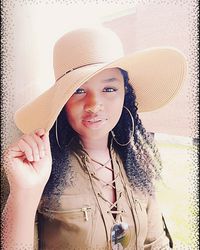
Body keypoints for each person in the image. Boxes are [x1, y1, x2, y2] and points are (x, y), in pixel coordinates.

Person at [2, 27, 187, 250]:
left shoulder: (136, 165)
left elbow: (156, 244)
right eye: (78, 91)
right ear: (63, 101)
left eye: (109, 89)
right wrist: (25, 190)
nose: (94, 105)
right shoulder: (41, 167)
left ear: (125, 95)